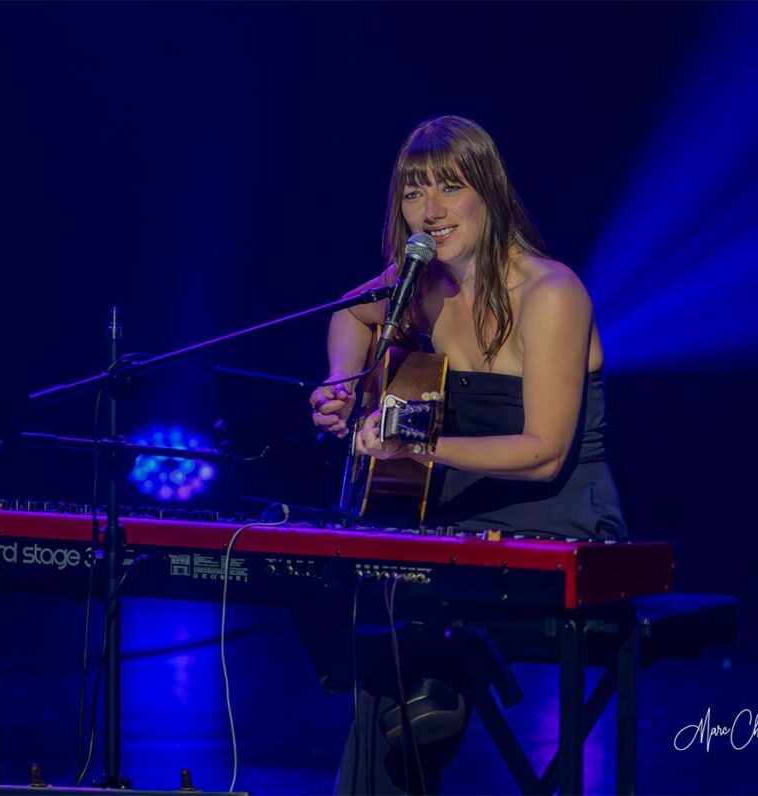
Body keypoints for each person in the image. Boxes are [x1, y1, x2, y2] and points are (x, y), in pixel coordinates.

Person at [306, 115, 627, 793]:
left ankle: (441, 672)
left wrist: (416, 446)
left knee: (397, 624)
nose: (431, 209)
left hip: (559, 524)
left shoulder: (551, 293)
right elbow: (347, 313)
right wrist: (342, 383)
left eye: (449, 188)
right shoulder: (421, 282)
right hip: (455, 523)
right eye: (414, 191)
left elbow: (543, 453)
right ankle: (432, 677)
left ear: (490, 190)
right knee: (336, 574)